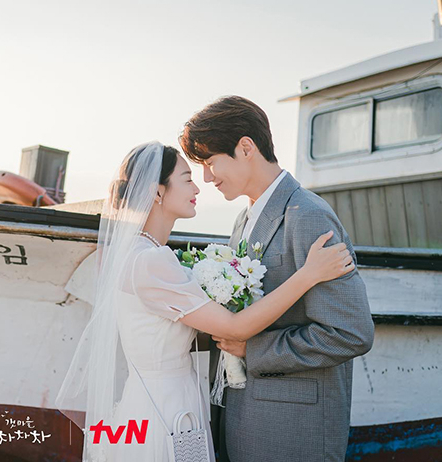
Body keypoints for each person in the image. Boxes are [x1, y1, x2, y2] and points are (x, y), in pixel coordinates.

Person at [55, 141, 355, 462]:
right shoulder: (151, 261)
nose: (198, 187)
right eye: (187, 179)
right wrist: (308, 275)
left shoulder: (140, 254)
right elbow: (234, 328)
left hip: (157, 398)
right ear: (157, 192)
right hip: (166, 408)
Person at [179, 95, 375, 462]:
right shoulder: (243, 220)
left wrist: (253, 350)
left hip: (291, 430)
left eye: (210, 162)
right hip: (242, 419)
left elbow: (351, 333)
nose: (207, 177)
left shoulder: (308, 216)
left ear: (246, 148)